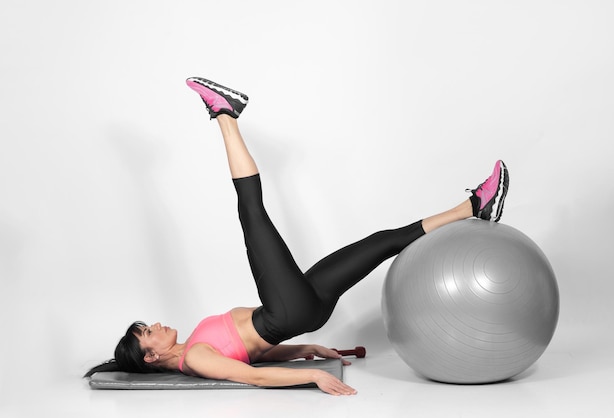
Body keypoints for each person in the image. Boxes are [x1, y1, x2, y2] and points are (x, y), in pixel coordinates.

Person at [85, 77, 509, 395]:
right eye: (148, 332)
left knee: (379, 243)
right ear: (152, 355)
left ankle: (474, 208)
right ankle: (224, 113)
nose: (156, 325)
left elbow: (258, 353)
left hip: (302, 310)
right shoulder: (195, 357)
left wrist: (310, 350)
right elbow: (250, 376)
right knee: (251, 212)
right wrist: (313, 377)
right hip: (286, 312)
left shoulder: (197, 347)